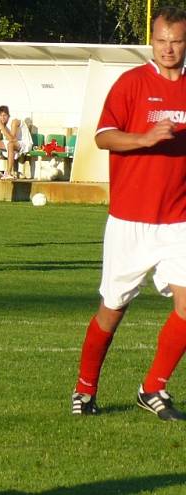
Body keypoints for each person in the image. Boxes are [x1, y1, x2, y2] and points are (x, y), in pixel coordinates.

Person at [70, 6, 186, 421]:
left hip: (179, 222)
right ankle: (85, 390)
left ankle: (153, 388)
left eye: (176, 40)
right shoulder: (131, 83)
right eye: (161, 40)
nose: (168, 48)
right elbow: (103, 137)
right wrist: (145, 138)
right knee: (112, 308)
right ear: (151, 41)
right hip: (130, 220)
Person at [0, 105, 32, 180]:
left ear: (8, 116)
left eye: (4, 115)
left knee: (10, 144)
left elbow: (12, 139)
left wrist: (2, 127)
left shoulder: (14, 122)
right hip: (12, 142)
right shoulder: (1, 123)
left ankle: (8, 173)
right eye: (0, 115)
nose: (2, 117)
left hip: (24, 143)